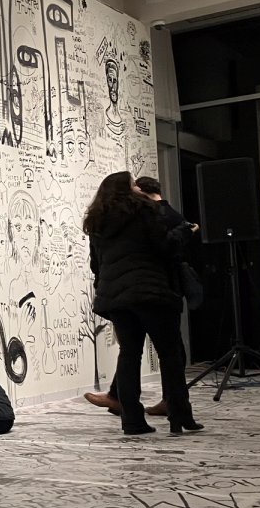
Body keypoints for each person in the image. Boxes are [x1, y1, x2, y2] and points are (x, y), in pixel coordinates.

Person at [84, 171, 203, 436]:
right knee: (170, 355)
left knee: (129, 355)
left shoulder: (98, 223)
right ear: (126, 190)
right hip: (151, 293)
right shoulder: (145, 211)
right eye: (132, 184)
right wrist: (184, 232)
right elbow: (165, 247)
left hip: (116, 298)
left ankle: (132, 421)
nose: (138, 187)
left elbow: (96, 265)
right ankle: (179, 415)